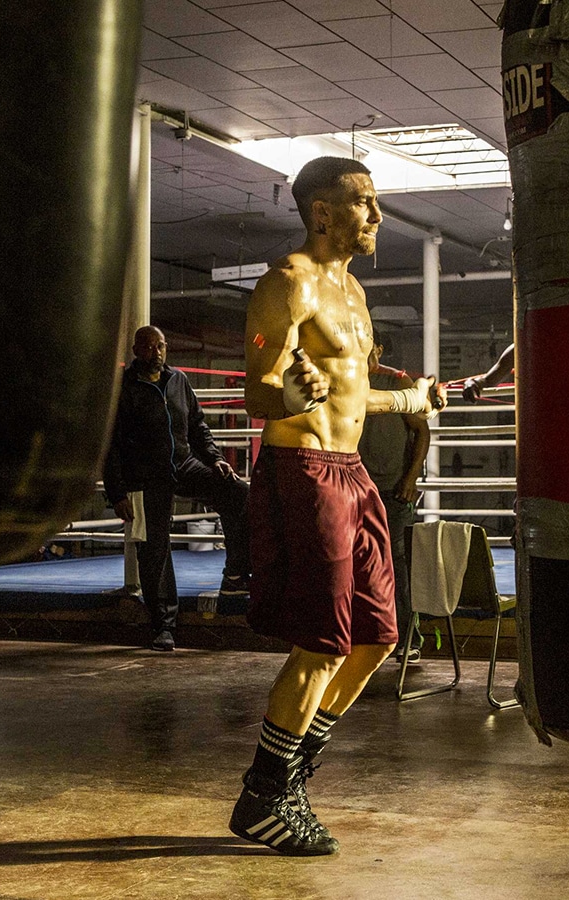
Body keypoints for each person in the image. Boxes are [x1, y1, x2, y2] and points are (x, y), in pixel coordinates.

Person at [229, 156, 439, 856]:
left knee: (379, 636)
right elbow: (259, 388)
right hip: (305, 472)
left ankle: (289, 777)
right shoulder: (287, 282)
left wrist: (410, 399)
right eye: (364, 203)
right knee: (322, 642)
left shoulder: (351, 291)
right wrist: (286, 395)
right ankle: (264, 792)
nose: (377, 216)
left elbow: (351, 395)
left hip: (353, 473)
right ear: (323, 212)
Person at [103, 326, 251, 652]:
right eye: (150, 346)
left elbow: (197, 424)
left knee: (237, 493)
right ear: (136, 350)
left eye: (162, 346)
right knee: (153, 550)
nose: (157, 352)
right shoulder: (124, 389)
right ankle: (163, 627)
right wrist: (117, 494)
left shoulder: (178, 381)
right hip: (144, 478)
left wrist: (214, 459)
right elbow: (110, 445)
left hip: (183, 465)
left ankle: (236, 574)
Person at [358, 327, 434, 664]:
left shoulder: (396, 381)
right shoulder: (346, 383)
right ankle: (369, 635)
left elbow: (422, 431)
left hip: (392, 487)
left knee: (398, 563)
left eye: (368, 345)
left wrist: (411, 477)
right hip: (358, 488)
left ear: (379, 349)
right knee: (359, 563)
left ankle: (408, 637)